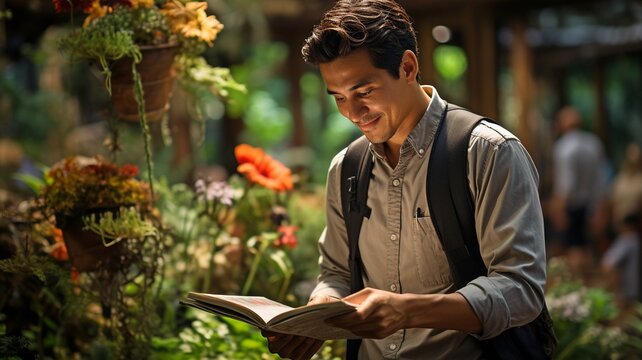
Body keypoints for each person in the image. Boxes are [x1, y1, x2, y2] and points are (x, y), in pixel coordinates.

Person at [263, 1, 547, 358]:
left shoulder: (488, 152)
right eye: (338, 97)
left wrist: (407, 310)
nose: (352, 113)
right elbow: (335, 272)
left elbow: (521, 289)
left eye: (364, 92)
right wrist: (319, 314)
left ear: (408, 66)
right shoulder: (346, 167)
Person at [549, 106, 607, 277]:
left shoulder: (563, 147)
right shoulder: (594, 143)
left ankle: (577, 292)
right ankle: (588, 291)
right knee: (588, 250)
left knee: (573, 250)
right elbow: (600, 180)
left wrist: (558, 209)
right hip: (591, 204)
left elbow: (566, 183)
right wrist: (600, 208)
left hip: (572, 205)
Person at [600, 213, 641, 306]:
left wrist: (610, 286)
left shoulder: (628, 240)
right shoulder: (635, 240)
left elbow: (608, 264)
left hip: (627, 291)